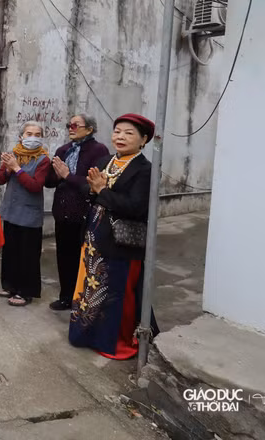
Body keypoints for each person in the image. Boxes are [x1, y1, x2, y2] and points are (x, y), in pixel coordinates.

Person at [69, 114, 157, 359]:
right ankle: (86, 334)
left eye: (129, 133)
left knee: (117, 292)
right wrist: (92, 189)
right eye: (117, 131)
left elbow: (136, 208)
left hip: (122, 242)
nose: (120, 136)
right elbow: (91, 191)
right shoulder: (106, 160)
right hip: (95, 237)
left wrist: (101, 190)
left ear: (143, 140)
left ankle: (115, 343)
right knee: (88, 287)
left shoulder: (145, 169)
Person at [44, 114, 110, 311]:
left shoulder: (98, 150)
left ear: (89, 129)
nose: (70, 128)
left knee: (85, 259)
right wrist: (56, 175)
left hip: (85, 213)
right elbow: (49, 182)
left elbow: (92, 185)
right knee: (64, 257)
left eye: (75, 125)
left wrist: (68, 176)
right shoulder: (63, 150)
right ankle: (66, 296)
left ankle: (84, 300)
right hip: (62, 212)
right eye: (68, 125)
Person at [0, 121, 51, 307]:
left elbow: (35, 186)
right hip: (12, 211)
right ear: (21, 136)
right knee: (10, 251)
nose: (33, 138)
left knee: (27, 255)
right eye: (29, 134)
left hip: (29, 214)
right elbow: (0, 179)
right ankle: (10, 285)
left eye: (37, 134)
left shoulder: (43, 159)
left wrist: (17, 169)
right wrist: (8, 168)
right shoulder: (14, 154)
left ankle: (25, 292)